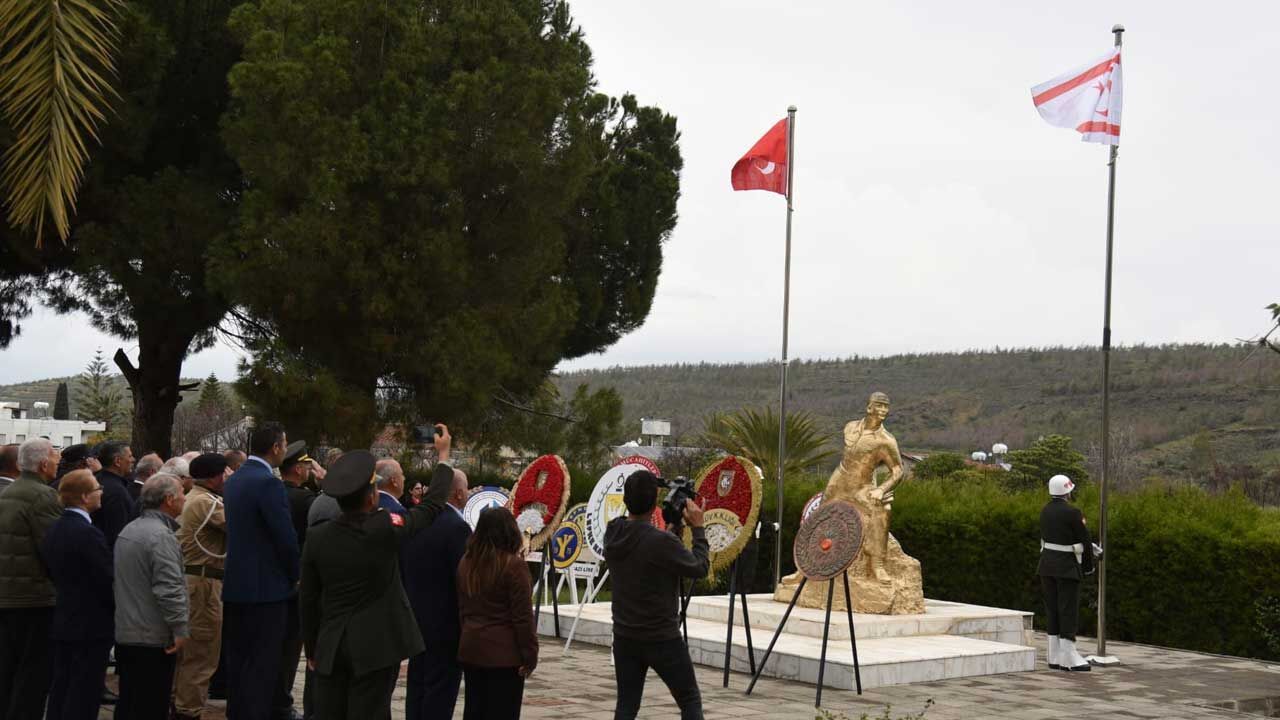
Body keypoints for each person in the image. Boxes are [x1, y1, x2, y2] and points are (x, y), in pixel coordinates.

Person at [299, 428, 455, 720]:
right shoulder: (383, 528)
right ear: (372, 497)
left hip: (332, 645)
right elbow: (432, 506)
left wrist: (312, 647)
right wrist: (443, 457)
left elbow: (308, 598)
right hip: (376, 646)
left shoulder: (317, 537)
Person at [604, 470, 709, 720]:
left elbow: (649, 550)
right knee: (690, 701)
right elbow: (699, 567)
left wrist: (673, 529)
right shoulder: (660, 542)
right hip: (661, 638)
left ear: (626, 500)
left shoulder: (613, 532)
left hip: (625, 636)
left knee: (627, 706)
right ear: (655, 503)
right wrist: (699, 529)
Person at [222, 422, 299, 720]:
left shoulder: (236, 479)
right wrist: (295, 573)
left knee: (240, 662)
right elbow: (285, 536)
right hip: (266, 589)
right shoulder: (268, 483)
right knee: (262, 665)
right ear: (277, 447)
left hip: (237, 584)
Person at [113, 473, 189, 720]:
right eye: (181, 494)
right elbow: (169, 587)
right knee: (150, 705)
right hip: (152, 637)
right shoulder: (161, 536)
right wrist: (179, 628)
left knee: (129, 702)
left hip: (128, 632)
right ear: (168, 499)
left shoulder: (130, 529)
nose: (185, 499)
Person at [41, 469, 114, 720]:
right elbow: (106, 578)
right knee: (84, 690)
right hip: (91, 623)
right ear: (84, 497)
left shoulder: (55, 528)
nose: (101, 492)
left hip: (65, 616)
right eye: (97, 489)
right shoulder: (87, 533)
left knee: (62, 685)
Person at [0, 439, 63, 718]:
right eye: (55, 457)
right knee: (33, 673)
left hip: (9, 593)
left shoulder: (8, 492)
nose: (58, 462)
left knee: (8, 668)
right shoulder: (43, 496)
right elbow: (54, 549)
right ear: (43, 464)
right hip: (34, 596)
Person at [455, 506, 536, 720]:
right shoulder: (513, 566)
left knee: (474, 709)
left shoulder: (466, 563)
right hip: (504, 655)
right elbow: (522, 618)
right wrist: (530, 655)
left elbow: (462, 607)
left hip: (472, 647)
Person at [404, 469, 471, 720]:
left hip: (415, 618)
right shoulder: (458, 528)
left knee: (418, 684)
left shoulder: (417, 520)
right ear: (459, 493)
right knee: (440, 691)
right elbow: (465, 578)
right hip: (445, 624)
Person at [173, 454, 231, 720]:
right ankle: (189, 710)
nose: (228, 476)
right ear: (213, 477)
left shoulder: (193, 497)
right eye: (225, 472)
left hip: (192, 580)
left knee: (188, 653)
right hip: (204, 583)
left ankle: (180, 704)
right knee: (201, 653)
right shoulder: (206, 503)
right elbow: (240, 525)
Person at [277, 442, 318, 720]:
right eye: (305, 465)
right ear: (297, 469)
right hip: (297, 579)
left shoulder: (275, 493)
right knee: (291, 647)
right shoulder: (305, 499)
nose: (308, 470)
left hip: (274, 580)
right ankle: (282, 703)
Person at [1039, 474, 1095, 672]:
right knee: (1068, 609)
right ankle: (1069, 655)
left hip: (1046, 566)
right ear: (1067, 491)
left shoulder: (1045, 510)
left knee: (1053, 609)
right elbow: (1084, 539)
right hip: (1067, 568)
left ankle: (1054, 655)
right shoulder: (1073, 512)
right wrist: (1088, 566)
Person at [94, 441, 138, 550]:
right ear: (118, 461)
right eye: (130, 456)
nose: (133, 460)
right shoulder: (116, 492)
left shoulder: (96, 480)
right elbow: (117, 534)